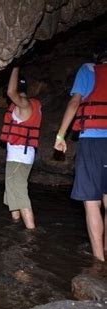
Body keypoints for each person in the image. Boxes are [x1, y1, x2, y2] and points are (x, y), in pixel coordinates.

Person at [54, 44, 107, 261]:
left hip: (92, 141)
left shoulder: (89, 70)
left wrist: (60, 135)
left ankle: (99, 261)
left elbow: (75, 102)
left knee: (92, 202)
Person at [0, 67, 41, 229]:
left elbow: (11, 92)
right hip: (19, 156)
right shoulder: (29, 105)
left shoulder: (24, 104)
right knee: (12, 193)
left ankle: (31, 234)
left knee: (20, 194)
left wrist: (15, 65)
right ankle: (15, 225)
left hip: (19, 158)